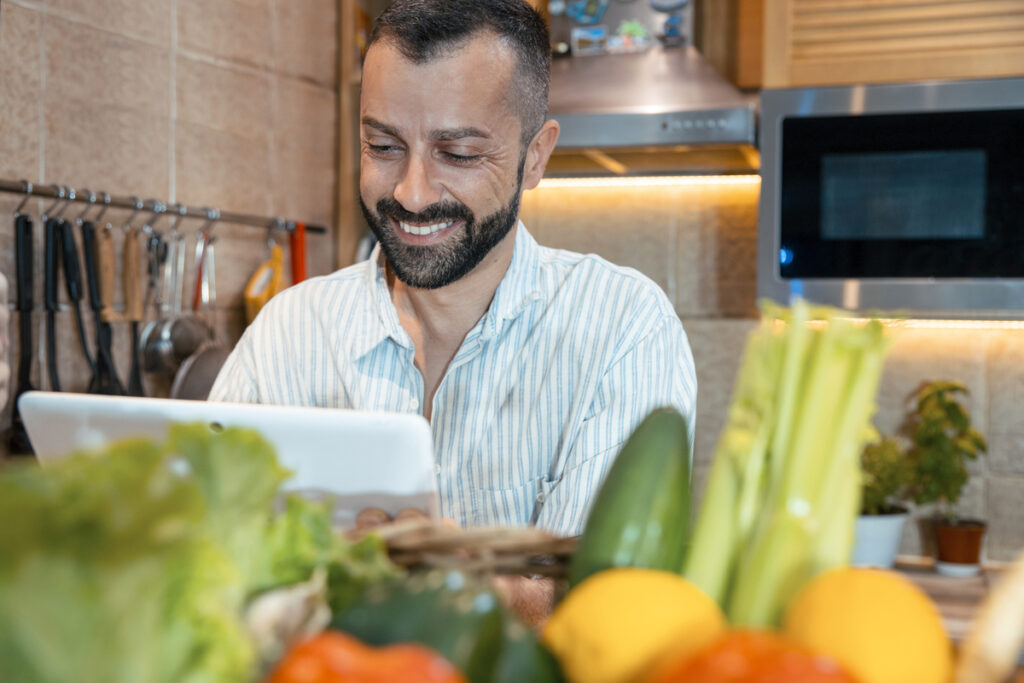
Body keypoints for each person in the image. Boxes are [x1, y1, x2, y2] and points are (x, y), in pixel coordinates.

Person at [210, 0, 696, 540]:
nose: (411, 194)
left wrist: (402, 567)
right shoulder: (288, 334)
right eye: (384, 146)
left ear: (535, 157)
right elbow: (208, 554)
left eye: (459, 153)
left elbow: (601, 597)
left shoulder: (622, 329)